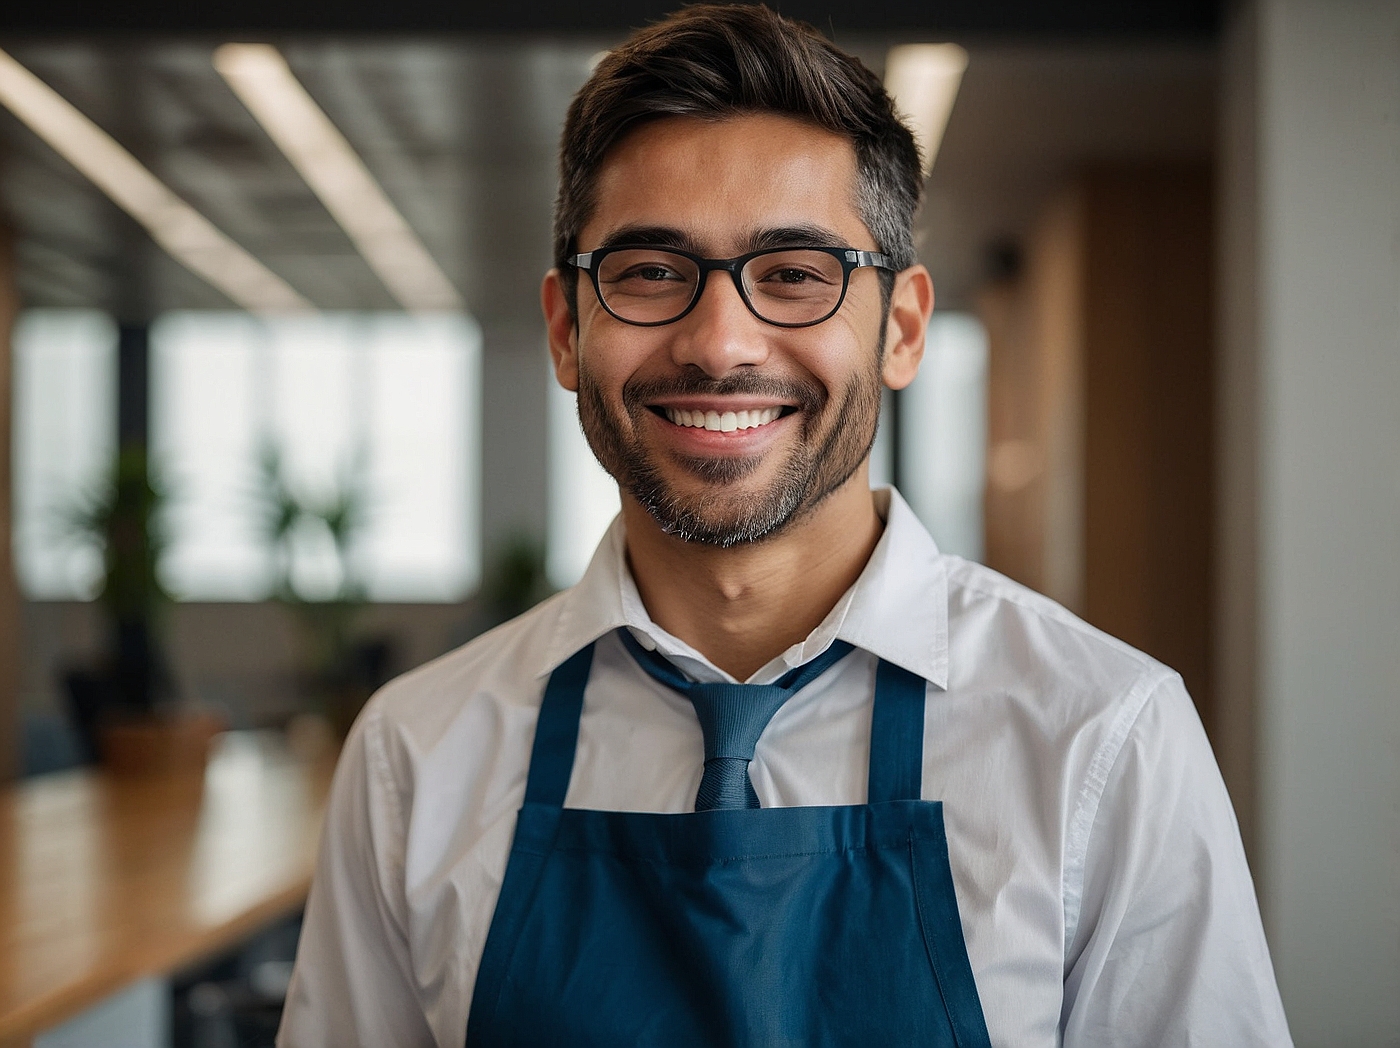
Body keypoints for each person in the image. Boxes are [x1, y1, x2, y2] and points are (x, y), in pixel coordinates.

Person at [277, 6, 1293, 1046]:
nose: (720, 343)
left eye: (796, 275)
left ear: (900, 328)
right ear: (563, 330)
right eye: (649, 272)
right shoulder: (417, 754)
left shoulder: (1099, 738)